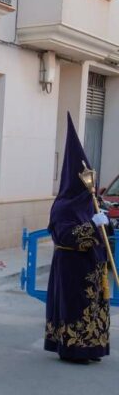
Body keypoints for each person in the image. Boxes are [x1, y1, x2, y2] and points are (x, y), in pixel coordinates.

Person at [44, 115, 111, 364]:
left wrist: (105, 223)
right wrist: (92, 226)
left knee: (94, 307)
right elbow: (65, 235)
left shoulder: (90, 202)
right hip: (72, 267)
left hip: (93, 265)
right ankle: (75, 349)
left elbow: (104, 232)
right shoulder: (63, 206)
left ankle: (93, 347)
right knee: (76, 306)